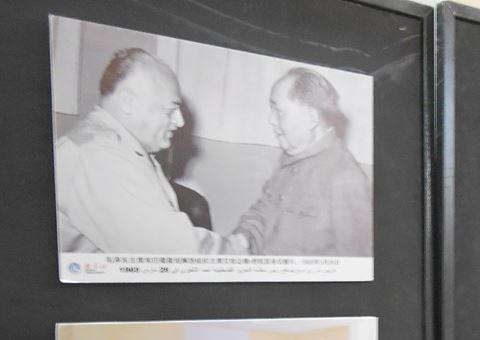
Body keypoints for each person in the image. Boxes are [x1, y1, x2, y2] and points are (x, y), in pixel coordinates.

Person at [54, 47, 221, 255]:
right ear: (128, 102)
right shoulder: (97, 156)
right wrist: (246, 245)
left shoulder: (123, 148)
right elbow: (175, 253)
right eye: (171, 109)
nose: (180, 121)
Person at [223, 68, 372, 257]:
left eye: (279, 111)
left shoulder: (345, 178)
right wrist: (245, 237)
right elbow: (264, 209)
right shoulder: (293, 154)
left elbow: (356, 264)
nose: (271, 120)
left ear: (312, 117)